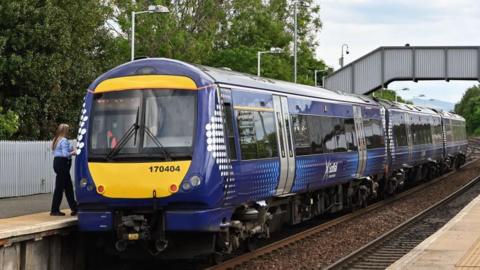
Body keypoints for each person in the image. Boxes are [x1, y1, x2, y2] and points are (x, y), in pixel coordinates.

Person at [51, 123, 78, 216]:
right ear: (65, 131)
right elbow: (65, 154)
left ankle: (74, 208)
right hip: (63, 164)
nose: (69, 132)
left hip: (57, 163)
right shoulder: (64, 140)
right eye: (68, 130)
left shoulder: (56, 139)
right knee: (60, 188)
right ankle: (54, 210)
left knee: (68, 187)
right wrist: (74, 152)